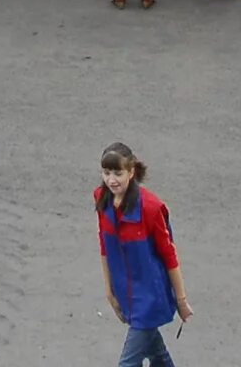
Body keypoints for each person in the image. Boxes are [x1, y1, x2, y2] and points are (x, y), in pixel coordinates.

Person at [94, 142, 193, 367]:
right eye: (106, 172)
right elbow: (104, 246)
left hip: (150, 299)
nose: (111, 180)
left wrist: (181, 301)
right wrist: (109, 291)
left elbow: (169, 255)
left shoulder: (151, 208)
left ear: (131, 172)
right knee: (157, 355)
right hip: (126, 294)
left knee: (127, 363)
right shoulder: (102, 198)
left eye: (117, 173)